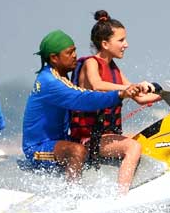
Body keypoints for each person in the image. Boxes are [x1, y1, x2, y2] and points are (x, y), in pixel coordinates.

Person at [22, 29, 139, 184]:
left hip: (62, 141)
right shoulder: (50, 82)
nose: (74, 56)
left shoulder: (60, 74)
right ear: (54, 58)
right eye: (69, 53)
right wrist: (119, 94)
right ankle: (73, 198)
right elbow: (82, 99)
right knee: (77, 151)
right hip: (38, 148)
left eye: (75, 50)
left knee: (132, 137)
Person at [70, 10, 162, 194]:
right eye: (121, 40)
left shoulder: (114, 69)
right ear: (105, 44)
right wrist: (127, 89)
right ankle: (122, 198)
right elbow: (97, 85)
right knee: (133, 147)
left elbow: (140, 98)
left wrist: (167, 93)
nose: (126, 45)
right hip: (91, 139)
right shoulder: (91, 63)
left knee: (147, 140)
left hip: (106, 136)